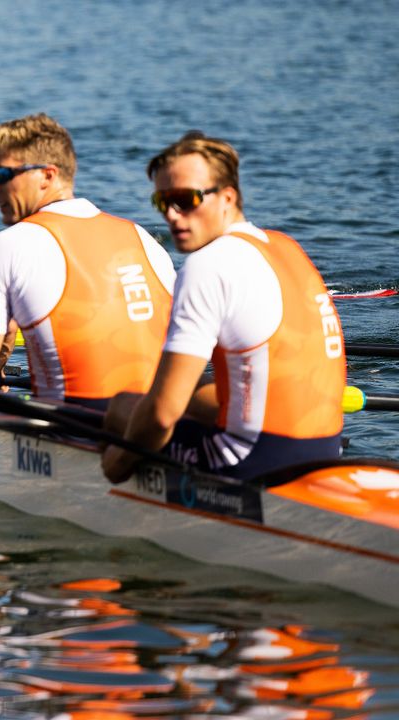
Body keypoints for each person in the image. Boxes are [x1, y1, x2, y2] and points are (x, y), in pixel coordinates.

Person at [102, 131, 345, 482]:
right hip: (325, 451)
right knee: (191, 388)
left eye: (185, 199)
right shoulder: (286, 246)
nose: (171, 214)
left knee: (125, 406)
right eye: (161, 202)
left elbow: (160, 416)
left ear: (228, 197)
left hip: (253, 463)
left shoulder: (207, 265)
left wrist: (115, 466)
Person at [0, 113, 176, 408]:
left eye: (0, 175)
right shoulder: (143, 237)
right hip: (154, 428)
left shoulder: (11, 244)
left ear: (48, 175)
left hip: (71, 432)